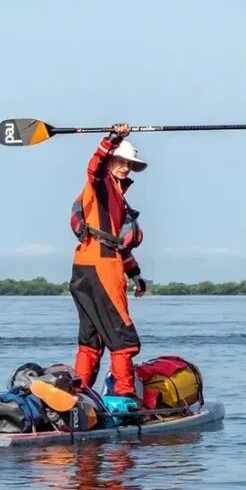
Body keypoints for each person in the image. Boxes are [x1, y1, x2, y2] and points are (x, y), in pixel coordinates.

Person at [69, 123, 148, 399]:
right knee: (123, 339)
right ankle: (124, 401)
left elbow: (118, 244)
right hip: (100, 269)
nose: (126, 168)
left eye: (130, 164)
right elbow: (95, 166)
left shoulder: (116, 197)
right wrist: (112, 139)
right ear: (112, 159)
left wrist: (135, 274)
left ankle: (79, 397)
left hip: (85, 270)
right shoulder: (101, 184)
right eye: (122, 162)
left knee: (92, 341)